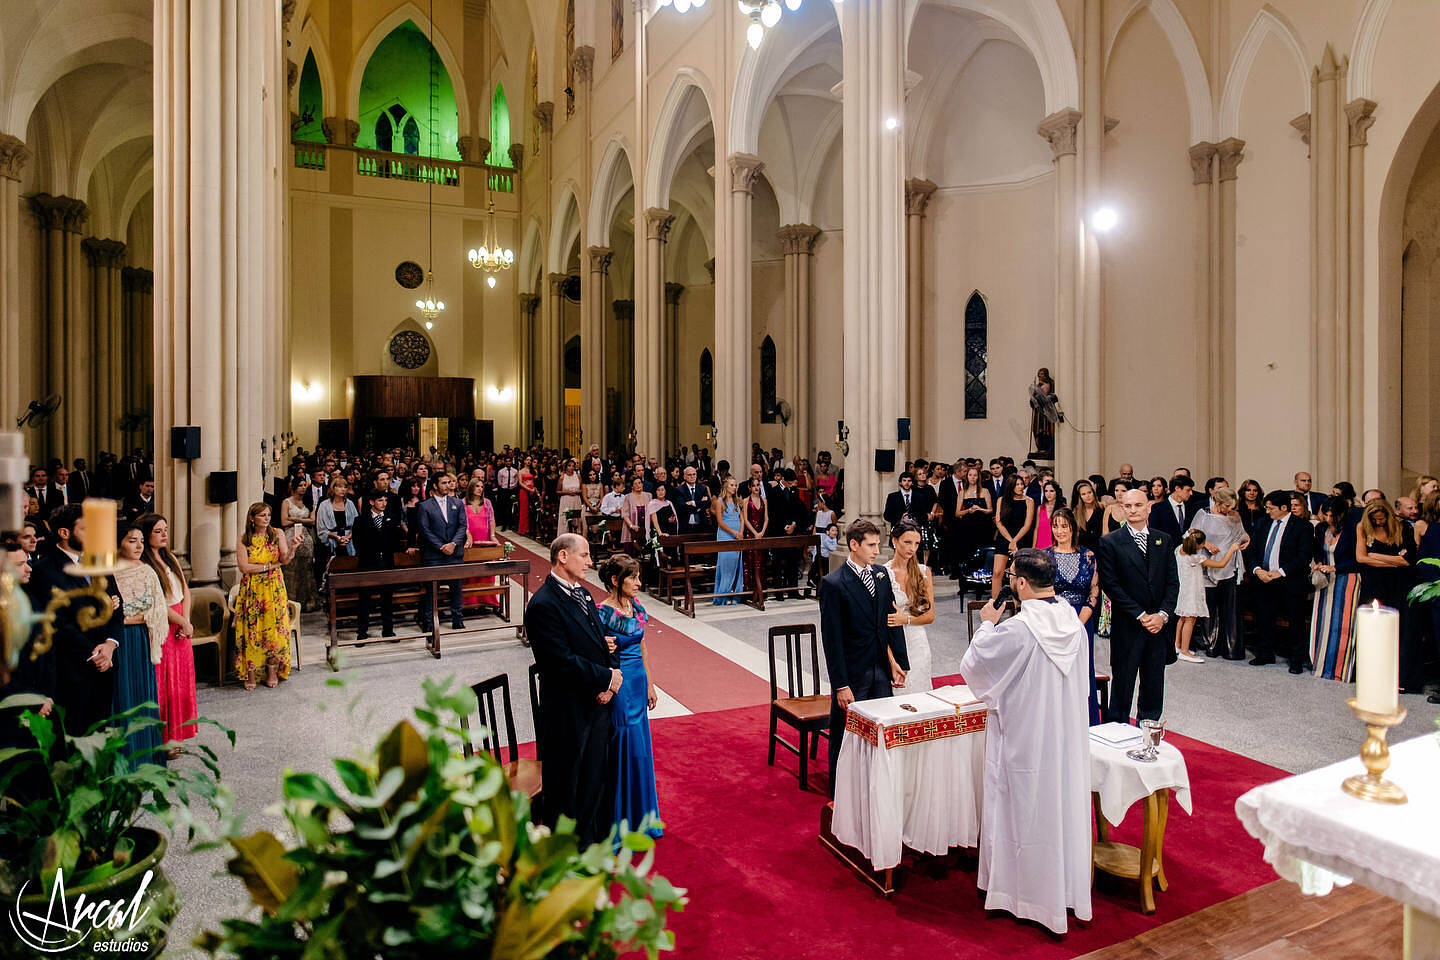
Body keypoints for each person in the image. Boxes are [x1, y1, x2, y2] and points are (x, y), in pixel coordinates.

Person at [960, 548, 1091, 935]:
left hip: (1025, 737)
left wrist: (986, 624)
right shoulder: (1070, 617)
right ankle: (1061, 890)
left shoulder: (1019, 629)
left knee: (1024, 810)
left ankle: (1022, 896)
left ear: (1018, 582)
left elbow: (975, 666)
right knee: (1057, 809)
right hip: (1063, 735)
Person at [525, 534, 621, 847]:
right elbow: (559, 662)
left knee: (594, 782)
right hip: (568, 711)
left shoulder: (581, 592)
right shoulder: (543, 604)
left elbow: (601, 639)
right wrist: (605, 678)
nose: (590, 562)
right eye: (585, 555)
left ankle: (591, 848)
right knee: (568, 787)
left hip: (595, 704)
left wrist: (608, 683)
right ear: (563, 557)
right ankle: (565, 856)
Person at [819, 519, 909, 786]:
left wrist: (898, 662)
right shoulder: (834, 583)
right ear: (854, 545)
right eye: (871, 545)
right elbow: (832, 640)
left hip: (880, 668)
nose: (876, 551)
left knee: (882, 728)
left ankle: (879, 784)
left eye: (878, 544)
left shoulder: (880, 575)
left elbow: (889, 621)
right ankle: (840, 789)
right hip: (853, 673)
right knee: (846, 733)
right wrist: (841, 684)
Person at [24, 504, 123, 733]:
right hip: (71, 669)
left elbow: (117, 605)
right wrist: (95, 653)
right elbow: (58, 622)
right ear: (64, 533)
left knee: (101, 735)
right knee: (72, 738)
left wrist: (110, 644)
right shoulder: (44, 570)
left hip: (105, 664)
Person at [1097, 488, 1179, 724]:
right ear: (1122, 509)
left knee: (1154, 687)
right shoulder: (1110, 542)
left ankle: (1149, 735)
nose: (1133, 510)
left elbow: (1172, 583)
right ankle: (1117, 735)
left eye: (1138, 505)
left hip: (1158, 628)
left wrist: (1162, 615)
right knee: (1122, 687)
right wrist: (1142, 615)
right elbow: (1111, 585)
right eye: (1128, 506)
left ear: (1148, 507)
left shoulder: (1163, 540)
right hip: (1129, 626)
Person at [595, 554, 661, 840]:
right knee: (624, 744)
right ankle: (619, 823)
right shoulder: (602, 612)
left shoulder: (637, 608)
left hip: (638, 683)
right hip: (619, 685)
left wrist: (650, 684)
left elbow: (643, 647)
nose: (638, 583)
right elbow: (594, 653)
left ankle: (642, 818)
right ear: (615, 581)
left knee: (641, 749)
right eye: (633, 577)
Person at [138, 514, 196, 757]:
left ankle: (177, 734)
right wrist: (181, 621)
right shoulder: (145, 564)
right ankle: (162, 739)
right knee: (165, 682)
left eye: (165, 529)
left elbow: (185, 591)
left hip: (181, 624)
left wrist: (187, 621)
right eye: (158, 531)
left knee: (181, 682)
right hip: (164, 623)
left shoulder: (169, 557)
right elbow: (157, 602)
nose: (164, 534)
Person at [112, 523, 168, 765]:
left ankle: (145, 758)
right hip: (115, 640)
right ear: (119, 542)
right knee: (121, 697)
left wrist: (122, 617)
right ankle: (123, 762)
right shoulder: (107, 570)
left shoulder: (147, 571)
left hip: (139, 639)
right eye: (132, 540)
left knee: (141, 696)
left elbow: (157, 610)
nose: (138, 546)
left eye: (141, 541)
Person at [1355, 496, 1421, 694]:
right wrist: (1393, 561)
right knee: (1375, 631)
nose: (1378, 522)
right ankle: (1375, 677)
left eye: (1382, 519)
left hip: (1400, 585)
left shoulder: (1403, 528)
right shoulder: (1362, 527)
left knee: (1402, 631)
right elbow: (1361, 558)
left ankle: (1402, 678)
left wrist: (1375, 556)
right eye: (1375, 519)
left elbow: (1408, 561)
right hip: (1374, 585)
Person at [1247, 491, 1314, 672]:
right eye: (1266, 508)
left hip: (1289, 580)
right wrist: (1257, 570)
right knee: (1264, 617)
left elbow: (1304, 556)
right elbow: (1252, 550)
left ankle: (1296, 659)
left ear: (1284, 508)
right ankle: (1265, 653)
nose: (1267, 511)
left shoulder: (1303, 526)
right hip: (1264, 578)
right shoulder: (1263, 523)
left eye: (1271, 508)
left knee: (1295, 620)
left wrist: (1281, 572)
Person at [1046, 507, 1100, 724]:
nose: (1059, 531)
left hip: (1082, 620)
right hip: (1053, 620)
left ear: (1072, 528)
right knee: (1055, 671)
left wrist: (1078, 623)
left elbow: (1093, 593)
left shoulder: (1088, 556)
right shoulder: (1045, 556)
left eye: (1064, 526)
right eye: (1055, 526)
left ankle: (1085, 723)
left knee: (1082, 671)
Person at [234, 502, 295, 690]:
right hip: (253, 589)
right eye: (262, 515)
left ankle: (272, 669)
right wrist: (268, 566)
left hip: (274, 587)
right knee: (253, 629)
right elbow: (244, 567)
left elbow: (284, 560)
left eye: (268, 515)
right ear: (252, 518)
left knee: (274, 629)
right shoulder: (244, 539)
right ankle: (250, 672)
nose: (267, 518)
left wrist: (293, 548)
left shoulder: (277, 534)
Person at [1188, 487, 1249, 660]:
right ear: (1218, 502)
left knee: (1231, 607)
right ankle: (1212, 645)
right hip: (1209, 563)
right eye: (1226, 506)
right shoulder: (1204, 514)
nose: (1228, 509)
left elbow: (1242, 534)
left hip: (1230, 564)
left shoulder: (1235, 516)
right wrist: (1206, 544)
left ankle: (1232, 648)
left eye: (1231, 506)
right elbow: (1191, 534)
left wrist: (1246, 540)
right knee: (1210, 606)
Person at [1310, 494, 1362, 681]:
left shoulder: (1353, 529)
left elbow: (1358, 560)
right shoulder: (1322, 528)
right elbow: (1316, 549)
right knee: (1323, 621)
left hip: (1347, 577)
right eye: (1327, 515)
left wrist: (1336, 567)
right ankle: (1321, 664)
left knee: (1343, 623)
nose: (1330, 519)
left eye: (1333, 516)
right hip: (1325, 578)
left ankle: (1340, 669)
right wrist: (1318, 562)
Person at [1173, 529, 1243, 662]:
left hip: (1182, 589)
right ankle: (1185, 651)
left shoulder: (1179, 550)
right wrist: (1231, 550)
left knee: (1182, 618)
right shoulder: (1196, 558)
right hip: (1192, 591)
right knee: (1190, 619)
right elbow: (1221, 564)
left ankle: (1177, 644)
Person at [884, 520, 934, 692]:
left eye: (916, 543)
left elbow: (930, 616)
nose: (912, 548)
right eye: (907, 542)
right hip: (894, 642)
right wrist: (890, 658)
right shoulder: (883, 573)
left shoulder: (923, 571)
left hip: (918, 643)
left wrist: (905, 619)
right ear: (894, 540)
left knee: (920, 694)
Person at [352, 487, 403, 643]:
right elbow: (358, 543)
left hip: (386, 562)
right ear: (372, 502)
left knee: (387, 598)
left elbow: (395, 541)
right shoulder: (360, 520)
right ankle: (362, 631)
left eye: (385, 500)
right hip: (368, 563)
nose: (383, 503)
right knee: (365, 599)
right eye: (380, 500)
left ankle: (388, 630)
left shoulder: (392, 518)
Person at [418, 474, 468, 631]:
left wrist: (453, 544)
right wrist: (441, 546)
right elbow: (424, 530)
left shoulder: (457, 503)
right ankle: (429, 621)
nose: (448, 485)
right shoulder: (425, 506)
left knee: (456, 588)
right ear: (435, 486)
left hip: (454, 553)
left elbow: (462, 525)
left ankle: (457, 619)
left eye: (449, 482)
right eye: (444, 483)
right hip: (434, 555)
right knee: (432, 590)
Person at [280, 476, 320, 613]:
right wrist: (303, 519)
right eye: (300, 485)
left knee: (306, 568)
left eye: (305, 485)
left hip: (306, 537)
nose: (303, 487)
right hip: (290, 536)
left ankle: (307, 600)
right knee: (291, 568)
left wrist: (294, 519)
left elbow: (313, 521)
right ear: (294, 487)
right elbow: (284, 522)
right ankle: (291, 601)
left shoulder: (309, 502)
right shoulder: (287, 502)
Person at [992, 475, 1035, 601]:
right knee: (997, 572)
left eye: (1022, 484)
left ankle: (1019, 605)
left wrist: (1015, 540)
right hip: (1004, 537)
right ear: (1011, 486)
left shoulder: (1029, 501)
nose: (1021, 487)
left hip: (1021, 538)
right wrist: (1010, 540)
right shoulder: (1001, 500)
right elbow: (998, 522)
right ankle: (995, 605)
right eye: (1017, 484)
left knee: (1018, 574)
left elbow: (1027, 525)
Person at [462, 476, 501, 614]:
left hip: (484, 539)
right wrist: (467, 535)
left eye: (482, 487)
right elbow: (463, 523)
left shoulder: (487, 503)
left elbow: (491, 521)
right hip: (470, 540)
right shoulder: (463, 503)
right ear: (471, 487)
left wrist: (492, 536)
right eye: (477, 486)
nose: (480, 489)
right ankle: (469, 602)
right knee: (471, 570)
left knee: (486, 568)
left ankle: (486, 600)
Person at [1149, 475, 1195, 541]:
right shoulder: (1158, 508)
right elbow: (1154, 533)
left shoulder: (1191, 507)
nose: (1191, 493)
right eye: (1188, 490)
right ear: (1177, 488)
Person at [674, 465, 712, 533]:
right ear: (684, 477)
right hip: (686, 527)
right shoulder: (679, 490)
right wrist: (700, 505)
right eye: (689, 475)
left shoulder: (703, 488)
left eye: (694, 474)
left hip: (701, 526)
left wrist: (693, 503)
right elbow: (682, 507)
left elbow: (708, 503)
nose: (692, 477)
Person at [1033, 479, 1065, 550]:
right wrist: (1033, 547)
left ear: (1057, 492)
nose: (1048, 494)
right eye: (1046, 491)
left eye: (1051, 491)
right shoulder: (1040, 508)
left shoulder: (1063, 508)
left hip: (1056, 545)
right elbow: (1036, 529)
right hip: (1040, 545)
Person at [558, 459, 583, 537]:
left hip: (576, 500)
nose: (571, 468)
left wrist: (576, 491)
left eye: (573, 466)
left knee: (576, 521)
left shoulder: (578, 476)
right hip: (566, 500)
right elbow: (558, 491)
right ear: (566, 467)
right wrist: (567, 492)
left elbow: (582, 489)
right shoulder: (562, 477)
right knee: (565, 520)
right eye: (569, 466)